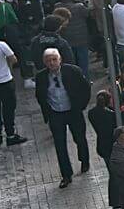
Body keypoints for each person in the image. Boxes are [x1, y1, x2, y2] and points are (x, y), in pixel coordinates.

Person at [34, 48, 91, 188]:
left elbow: (86, 88)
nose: (52, 63)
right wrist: (47, 110)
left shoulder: (73, 71)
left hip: (73, 111)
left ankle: (84, 161)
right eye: (48, 61)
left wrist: (81, 105)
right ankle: (66, 174)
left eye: (54, 59)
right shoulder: (41, 77)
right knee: (60, 144)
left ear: (60, 59)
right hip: (55, 113)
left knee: (79, 138)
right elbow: (39, 95)